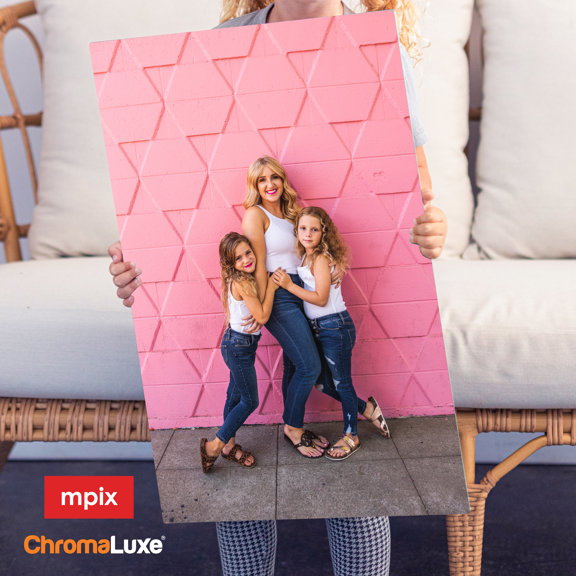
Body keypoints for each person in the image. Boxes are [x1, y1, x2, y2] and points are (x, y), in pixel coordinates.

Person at [108, 2, 448, 574]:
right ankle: (300, 424)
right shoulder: (221, 44)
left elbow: (420, 190)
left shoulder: (375, 43)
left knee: (318, 383)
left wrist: (431, 229)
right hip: (274, 298)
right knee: (294, 380)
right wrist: (140, 265)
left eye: (274, 178)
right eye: (261, 179)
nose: (269, 183)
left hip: (302, 294)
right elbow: (205, 224)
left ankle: (336, 414)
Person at [272, 206, 387, 460]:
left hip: (335, 326)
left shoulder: (321, 259)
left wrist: (289, 286)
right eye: (303, 228)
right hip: (319, 328)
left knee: (342, 383)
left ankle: (351, 435)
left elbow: (321, 298)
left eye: (314, 229)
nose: (308, 234)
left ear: (324, 232)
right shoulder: (305, 257)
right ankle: (366, 408)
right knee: (321, 382)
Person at [201, 232, 278, 472]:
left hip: (238, 344)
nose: (246, 260)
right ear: (230, 263)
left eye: (248, 253)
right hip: (238, 347)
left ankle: (228, 447)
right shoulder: (242, 282)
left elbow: (257, 311)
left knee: (234, 397)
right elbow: (262, 316)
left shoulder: (240, 278)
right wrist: (272, 286)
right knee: (250, 400)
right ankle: (214, 446)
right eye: (238, 258)